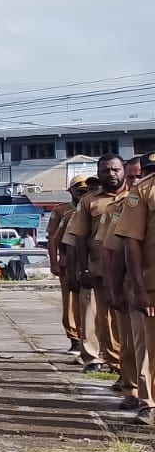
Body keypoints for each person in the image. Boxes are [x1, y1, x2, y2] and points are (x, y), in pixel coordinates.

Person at [63, 154, 127, 374]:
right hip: (98, 268)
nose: (111, 174)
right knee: (97, 316)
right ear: (99, 173)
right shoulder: (89, 201)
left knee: (123, 322)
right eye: (106, 170)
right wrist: (83, 269)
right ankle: (96, 358)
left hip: (129, 270)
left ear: (124, 170)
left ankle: (123, 367)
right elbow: (78, 237)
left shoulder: (135, 197)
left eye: (115, 169)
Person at [105, 154, 152, 417]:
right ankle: (140, 396)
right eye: (132, 176)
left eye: (138, 176)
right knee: (140, 346)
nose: (135, 180)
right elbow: (113, 251)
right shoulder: (125, 205)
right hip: (140, 285)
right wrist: (116, 290)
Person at [48, 178, 92, 356]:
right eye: (78, 188)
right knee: (71, 303)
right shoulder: (63, 211)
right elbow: (53, 238)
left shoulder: (93, 207)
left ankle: (90, 339)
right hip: (69, 262)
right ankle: (74, 338)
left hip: (91, 262)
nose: (82, 191)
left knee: (91, 304)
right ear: (70, 190)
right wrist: (55, 261)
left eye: (85, 189)